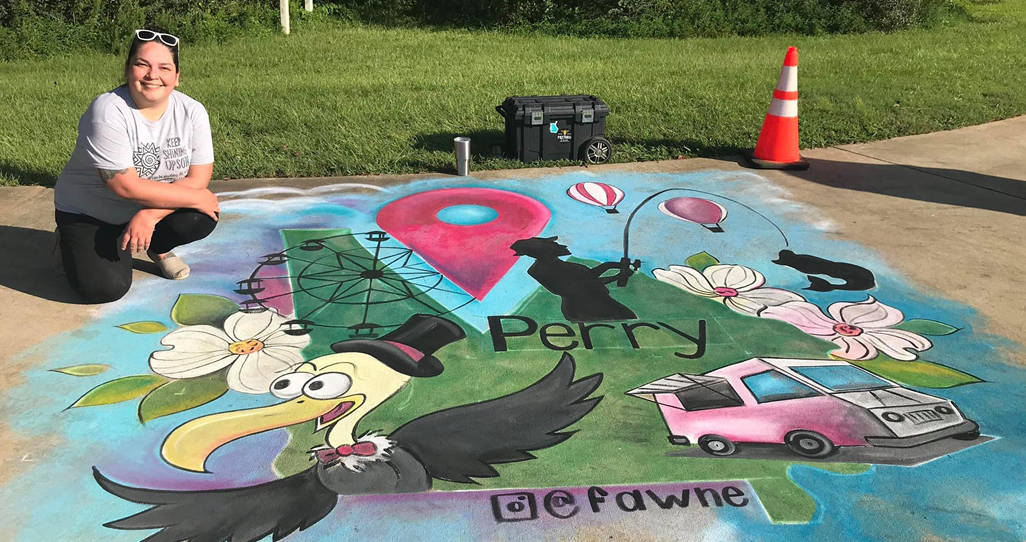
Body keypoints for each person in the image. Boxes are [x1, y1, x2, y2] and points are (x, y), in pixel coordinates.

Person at [54, 29, 220, 303]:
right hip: (90, 212)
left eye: (164, 67)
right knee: (104, 288)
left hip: (143, 209)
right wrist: (198, 196)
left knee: (200, 216)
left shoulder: (192, 111)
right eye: (142, 64)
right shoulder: (108, 110)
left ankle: (158, 247)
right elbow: (124, 185)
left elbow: (198, 177)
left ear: (177, 77)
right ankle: (68, 243)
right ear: (127, 70)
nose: (152, 75)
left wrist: (150, 216)